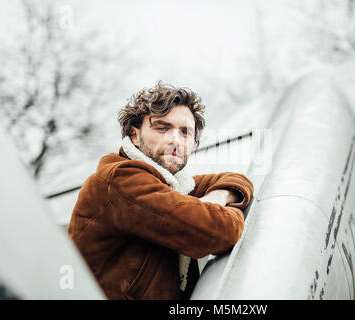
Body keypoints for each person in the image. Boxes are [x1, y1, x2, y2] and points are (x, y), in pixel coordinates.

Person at [68, 81, 254, 300]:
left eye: (185, 132)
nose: (175, 140)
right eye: (162, 128)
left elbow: (237, 180)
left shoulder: (176, 185)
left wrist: (218, 196)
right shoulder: (121, 179)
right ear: (134, 136)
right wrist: (222, 211)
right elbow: (217, 232)